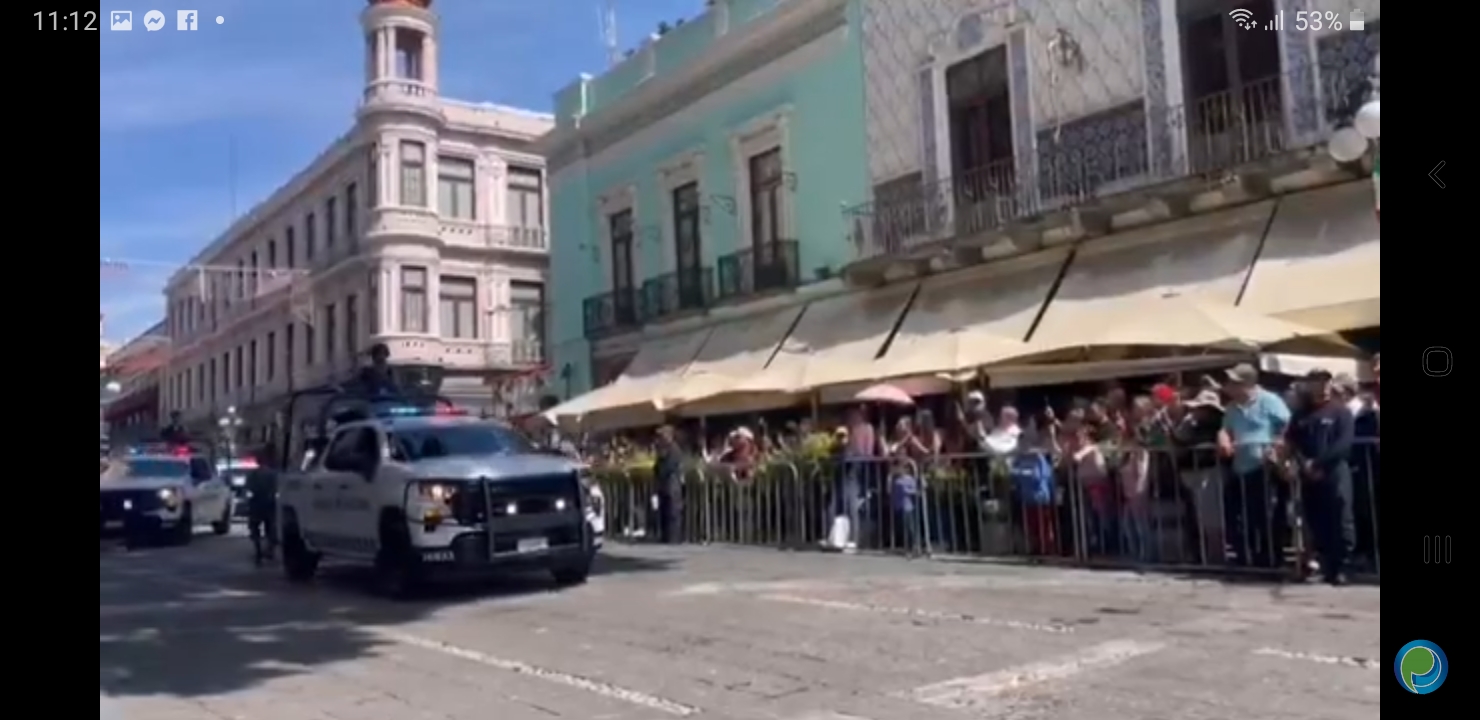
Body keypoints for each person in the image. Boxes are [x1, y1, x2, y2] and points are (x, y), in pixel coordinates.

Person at [1218, 363, 1292, 569]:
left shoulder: (1270, 401)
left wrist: (1277, 444)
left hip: (1265, 467)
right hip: (1240, 467)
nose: (1227, 386)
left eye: (1232, 382)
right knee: (1242, 515)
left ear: (1246, 384)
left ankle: (1271, 558)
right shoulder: (1232, 407)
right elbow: (1225, 429)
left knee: (1267, 515)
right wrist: (1223, 439)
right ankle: (1248, 557)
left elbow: (1288, 425)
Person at [1289, 370, 1356, 585]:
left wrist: (1318, 464)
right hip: (1309, 474)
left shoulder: (1340, 411)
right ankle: (1326, 565)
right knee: (1317, 521)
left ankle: (1342, 566)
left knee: (1341, 519)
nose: (1324, 386)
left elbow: (1343, 444)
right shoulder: (1301, 413)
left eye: (1326, 381)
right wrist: (1303, 463)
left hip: (1334, 471)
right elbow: (1293, 441)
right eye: (1318, 382)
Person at [245, 442, 282, 566]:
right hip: (269, 502)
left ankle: (259, 550)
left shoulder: (253, 474)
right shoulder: (273, 474)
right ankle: (268, 549)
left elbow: (248, 488)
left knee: (255, 528)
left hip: (257, 503)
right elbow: (277, 488)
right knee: (270, 527)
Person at [654, 425, 685, 544]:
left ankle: (674, 537)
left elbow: (669, 466)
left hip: (672, 484)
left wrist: (660, 471)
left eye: (662, 435)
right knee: (664, 511)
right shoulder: (663, 449)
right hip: (664, 485)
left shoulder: (674, 449)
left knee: (673, 512)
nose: (660, 438)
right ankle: (665, 536)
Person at [890, 458, 923, 557]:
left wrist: (918, 490)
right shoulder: (897, 481)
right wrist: (916, 492)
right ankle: (908, 547)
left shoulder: (909, 479)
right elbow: (906, 490)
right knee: (905, 528)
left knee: (911, 528)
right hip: (901, 507)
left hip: (908, 507)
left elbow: (914, 488)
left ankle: (914, 547)